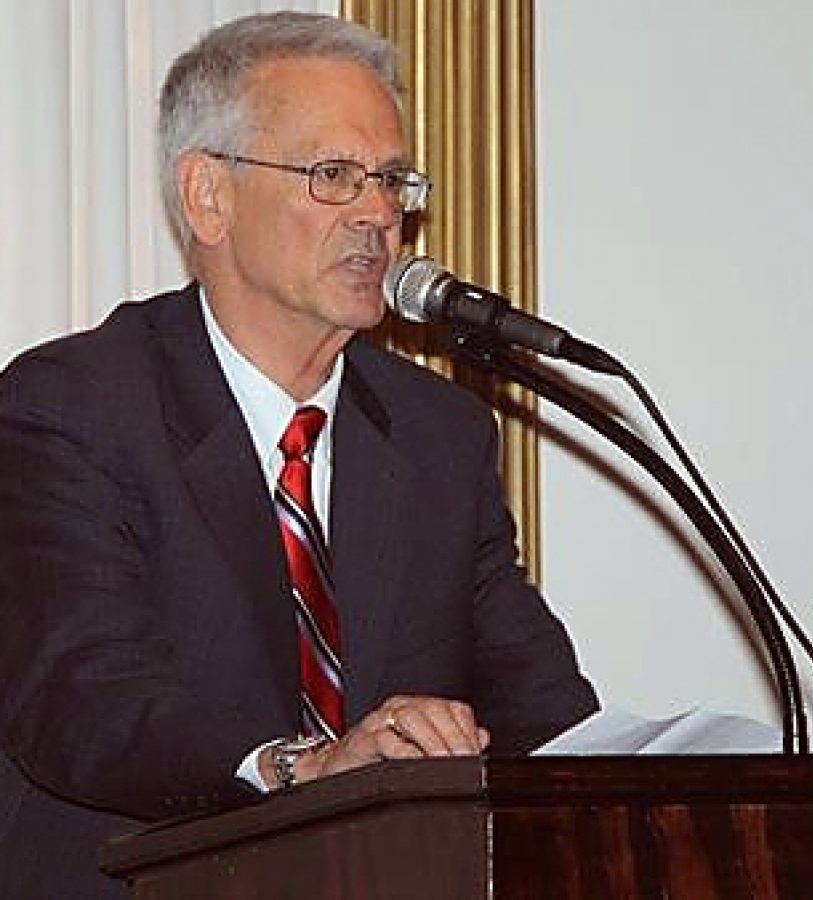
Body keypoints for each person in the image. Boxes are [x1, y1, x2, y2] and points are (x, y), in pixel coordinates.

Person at [0, 12, 597, 898]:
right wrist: (300, 766)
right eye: (334, 176)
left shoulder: (440, 434)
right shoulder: (75, 407)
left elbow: (541, 708)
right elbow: (87, 705)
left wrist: (685, 765)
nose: (379, 214)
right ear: (208, 194)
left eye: (393, 180)